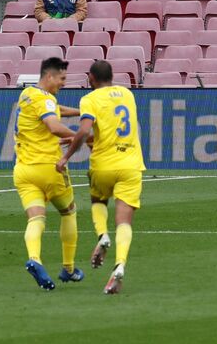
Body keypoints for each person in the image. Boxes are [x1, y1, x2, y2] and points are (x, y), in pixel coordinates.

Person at [56, 60, 145, 295]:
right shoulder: (127, 94)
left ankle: (103, 235)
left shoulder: (90, 99)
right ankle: (120, 265)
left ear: (91, 78)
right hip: (131, 165)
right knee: (125, 222)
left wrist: (66, 156)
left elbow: (86, 130)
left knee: (98, 201)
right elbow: (110, 130)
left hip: (103, 164)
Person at [13, 57, 83, 290]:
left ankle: (34, 259)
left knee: (36, 218)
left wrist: (82, 112)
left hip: (23, 170)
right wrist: (78, 136)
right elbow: (53, 125)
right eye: (62, 79)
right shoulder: (45, 100)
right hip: (49, 169)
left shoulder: (28, 94)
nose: (64, 83)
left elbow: (55, 109)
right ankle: (69, 268)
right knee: (69, 212)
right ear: (50, 76)